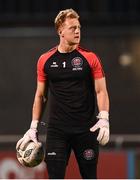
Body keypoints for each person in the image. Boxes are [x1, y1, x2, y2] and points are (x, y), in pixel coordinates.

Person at [16, 8, 110, 179]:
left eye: (79, 28)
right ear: (60, 31)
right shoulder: (45, 60)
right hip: (57, 132)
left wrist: (104, 117)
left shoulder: (90, 58)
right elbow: (40, 95)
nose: (77, 31)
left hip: (86, 130)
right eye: (72, 28)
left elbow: (101, 90)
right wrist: (33, 126)